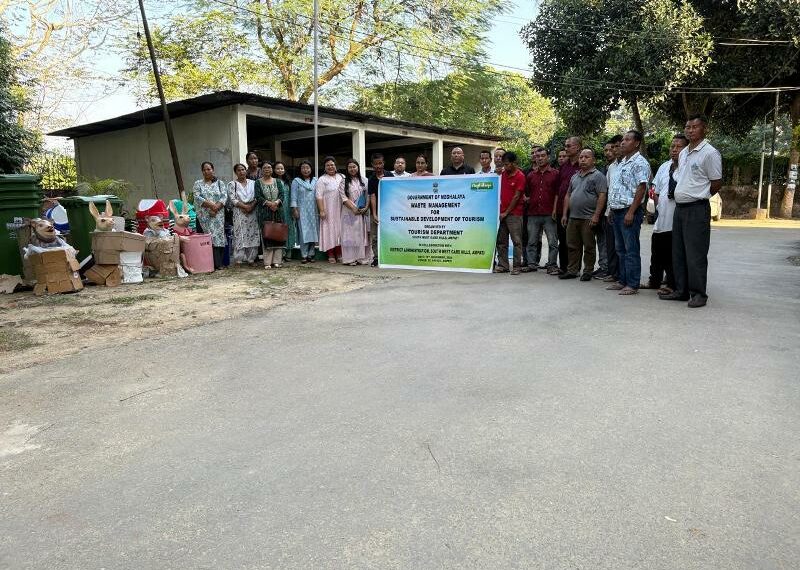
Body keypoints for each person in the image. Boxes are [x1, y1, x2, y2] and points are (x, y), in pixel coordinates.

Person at [661, 115, 722, 308]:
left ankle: (698, 294)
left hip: (696, 208)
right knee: (678, 252)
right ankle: (681, 290)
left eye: (695, 127)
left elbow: (716, 183)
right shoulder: (684, 152)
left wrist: (698, 195)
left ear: (704, 129)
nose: (690, 130)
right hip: (680, 209)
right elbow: (680, 177)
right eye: (687, 127)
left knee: (695, 253)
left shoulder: (710, 153)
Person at [607, 130, 651, 295]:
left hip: (629, 211)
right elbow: (616, 188)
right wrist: (611, 209)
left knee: (631, 249)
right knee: (620, 249)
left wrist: (631, 212)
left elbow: (641, 187)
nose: (623, 142)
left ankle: (632, 284)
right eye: (623, 139)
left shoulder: (639, 162)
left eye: (627, 139)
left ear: (637, 143)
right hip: (617, 211)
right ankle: (623, 280)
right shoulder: (621, 163)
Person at [642, 134, 688, 293]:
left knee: (672, 253)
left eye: (679, 147)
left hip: (677, 216)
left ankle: (672, 284)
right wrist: (654, 205)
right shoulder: (664, 166)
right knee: (657, 252)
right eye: (672, 146)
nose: (674, 150)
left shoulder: (687, 166)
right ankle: (654, 280)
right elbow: (655, 189)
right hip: (662, 215)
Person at [559, 149, 608, 281]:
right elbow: (568, 195)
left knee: (589, 246)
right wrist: (564, 214)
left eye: (586, 157)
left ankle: (588, 270)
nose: (583, 159)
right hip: (573, 217)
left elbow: (602, 196)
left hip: (588, 217)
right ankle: (573, 270)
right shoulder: (575, 176)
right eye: (581, 157)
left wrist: (596, 215)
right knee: (572, 245)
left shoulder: (598, 176)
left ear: (593, 160)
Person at [523, 147, 560, 274]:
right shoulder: (531, 175)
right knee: (532, 241)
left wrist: (555, 209)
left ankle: (552, 265)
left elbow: (557, 193)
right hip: (533, 213)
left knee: (552, 242)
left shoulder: (555, 173)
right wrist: (527, 198)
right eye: (537, 156)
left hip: (549, 213)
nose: (539, 158)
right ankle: (532, 264)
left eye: (542, 156)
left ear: (548, 157)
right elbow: (526, 192)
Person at [192, 161, 228, 270]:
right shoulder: (198, 184)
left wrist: (216, 208)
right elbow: (198, 197)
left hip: (218, 215)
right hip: (205, 216)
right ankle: (207, 263)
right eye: (204, 170)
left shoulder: (220, 183)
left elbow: (224, 197)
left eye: (209, 169)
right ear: (202, 171)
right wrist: (212, 206)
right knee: (208, 237)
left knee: (218, 237)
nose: (207, 171)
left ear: (213, 170)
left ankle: (219, 264)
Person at [494, 151, 525, 275]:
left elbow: (517, 197)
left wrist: (506, 212)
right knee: (501, 241)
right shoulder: (502, 174)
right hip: (501, 213)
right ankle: (503, 265)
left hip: (514, 214)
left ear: (513, 163)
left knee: (516, 241)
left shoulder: (520, 176)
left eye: (507, 164)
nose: (505, 167)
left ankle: (517, 266)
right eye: (504, 164)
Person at [554, 137, 581, 274]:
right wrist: (555, 208)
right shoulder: (563, 167)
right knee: (562, 239)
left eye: (569, 146)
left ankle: (574, 268)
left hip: (577, 209)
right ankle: (563, 267)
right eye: (565, 146)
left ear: (577, 147)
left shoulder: (582, 166)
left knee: (575, 241)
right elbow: (559, 189)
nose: (566, 148)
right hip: (561, 209)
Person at [338, 159, 372, 265]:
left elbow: (369, 195)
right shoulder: (343, 182)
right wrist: (354, 209)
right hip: (349, 213)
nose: (352, 169)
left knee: (362, 235)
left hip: (362, 213)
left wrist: (366, 207)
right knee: (350, 236)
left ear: (358, 168)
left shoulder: (364, 180)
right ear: (347, 169)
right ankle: (350, 258)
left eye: (354, 167)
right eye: (350, 167)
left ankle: (362, 258)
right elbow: (343, 197)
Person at [600, 135, 623, 282]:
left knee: (623, 247)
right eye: (612, 147)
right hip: (610, 211)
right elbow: (608, 190)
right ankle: (613, 273)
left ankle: (624, 276)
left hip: (625, 211)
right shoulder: (611, 167)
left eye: (616, 146)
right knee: (611, 245)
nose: (614, 150)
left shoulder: (633, 164)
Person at [255, 161, 286, 269]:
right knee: (267, 235)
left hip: (278, 211)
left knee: (278, 235)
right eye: (265, 168)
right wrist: (269, 204)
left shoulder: (277, 181)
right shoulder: (258, 182)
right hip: (265, 213)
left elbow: (282, 194)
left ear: (272, 169)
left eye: (269, 167)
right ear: (261, 170)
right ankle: (267, 262)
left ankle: (277, 261)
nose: (267, 169)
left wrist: (276, 203)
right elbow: (258, 196)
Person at [227, 163, 259, 265]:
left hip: (252, 212)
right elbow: (232, 199)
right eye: (239, 170)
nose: (241, 172)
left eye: (243, 169)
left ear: (246, 171)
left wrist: (251, 206)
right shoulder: (232, 184)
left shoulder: (253, 183)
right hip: (239, 212)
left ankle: (251, 259)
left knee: (252, 234)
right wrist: (245, 207)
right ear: (235, 172)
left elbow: (257, 196)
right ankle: (239, 259)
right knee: (240, 234)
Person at [316, 156, 344, 263]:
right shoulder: (322, 179)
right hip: (328, 210)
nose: (330, 167)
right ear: (325, 167)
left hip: (341, 209)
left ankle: (340, 252)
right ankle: (331, 253)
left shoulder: (342, 177)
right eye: (328, 165)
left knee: (340, 231)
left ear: (335, 166)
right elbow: (319, 196)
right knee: (329, 231)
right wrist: (322, 210)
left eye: (332, 165)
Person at [290, 160, 319, 263]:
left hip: (314, 211)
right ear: (300, 170)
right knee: (304, 232)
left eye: (308, 167)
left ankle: (311, 254)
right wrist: (295, 209)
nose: (306, 170)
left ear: (311, 169)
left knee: (313, 232)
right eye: (303, 168)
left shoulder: (316, 180)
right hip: (302, 211)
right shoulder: (296, 181)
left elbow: (319, 195)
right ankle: (304, 255)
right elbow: (293, 197)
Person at [368, 153, 393, 266]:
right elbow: (372, 196)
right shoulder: (371, 179)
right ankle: (376, 258)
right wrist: (374, 214)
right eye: (376, 164)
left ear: (384, 163)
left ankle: (389, 256)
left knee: (389, 234)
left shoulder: (390, 176)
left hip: (389, 212)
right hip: (376, 212)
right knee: (374, 236)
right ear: (372, 165)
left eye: (380, 163)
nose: (378, 166)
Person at [274, 161, 296, 262]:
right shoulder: (272, 181)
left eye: (282, 168)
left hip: (288, 208)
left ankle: (289, 252)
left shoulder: (288, 182)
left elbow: (293, 196)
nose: (280, 170)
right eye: (278, 168)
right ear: (274, 170)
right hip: (277, 209)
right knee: (279, 230)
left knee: (289, 229)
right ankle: (280, 254)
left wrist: (293, 208)